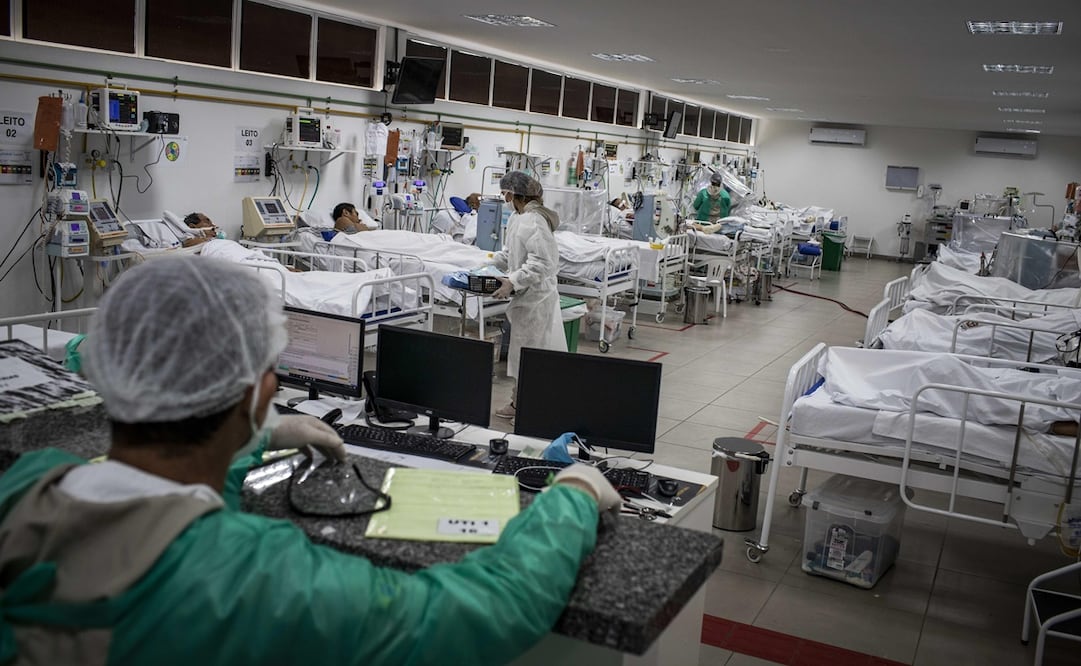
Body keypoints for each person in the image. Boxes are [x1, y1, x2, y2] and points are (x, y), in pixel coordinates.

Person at [0, 256, 620, 665]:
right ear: (259, 393)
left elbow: (165, 475)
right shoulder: (256, 581)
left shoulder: (24, 486)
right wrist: (573, 496)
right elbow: (487, 609)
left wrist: (256, 441)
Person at [490, 171, 568, 419]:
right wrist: (487, 265)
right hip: (525, 298)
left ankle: (527, 409)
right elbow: (511, 252)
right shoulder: (517, 217)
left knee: (530, 356)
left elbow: (544, 263)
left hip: (536, 298)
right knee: (521, 354)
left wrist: (512, 281)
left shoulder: (534, 220)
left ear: (513, 194)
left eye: (505, 194)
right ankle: (519, 403)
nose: (504, 199)